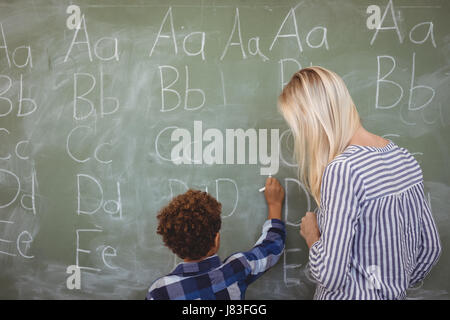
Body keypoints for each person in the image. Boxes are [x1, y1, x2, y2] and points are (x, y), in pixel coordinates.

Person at [278, 66, 442, 300]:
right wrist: (387, 288)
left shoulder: (343, 170)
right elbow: (431, 248)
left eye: (299, 126)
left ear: (313, 119)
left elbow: (330, 276)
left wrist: (312, 236)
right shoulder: (404, 158)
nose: (301, 135)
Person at [146, 178, 285, 300]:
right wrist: (275, 205)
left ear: (172, 246)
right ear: (216, 239)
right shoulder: (237, 269)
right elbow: (272, 245)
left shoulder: (160, 291)